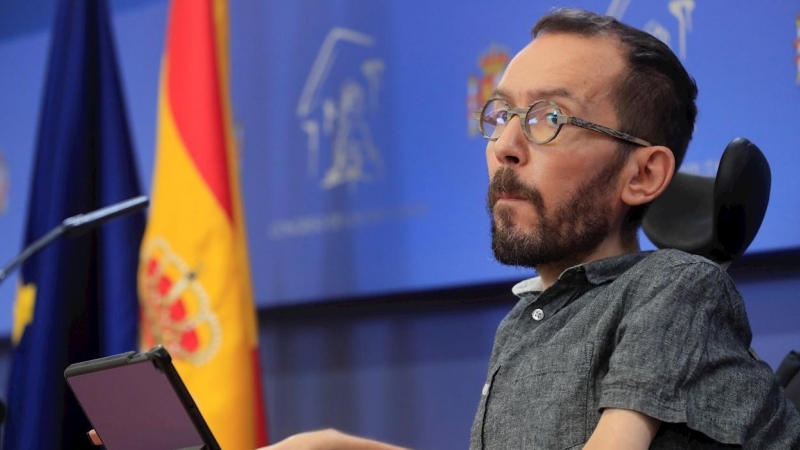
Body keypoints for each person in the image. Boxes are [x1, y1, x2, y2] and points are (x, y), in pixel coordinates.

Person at [86, 7, 798, 450]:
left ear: (643, 175)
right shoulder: (529, 321)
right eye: (500, 115)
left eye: (549, 119)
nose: (506, 145)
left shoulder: (676, 286)